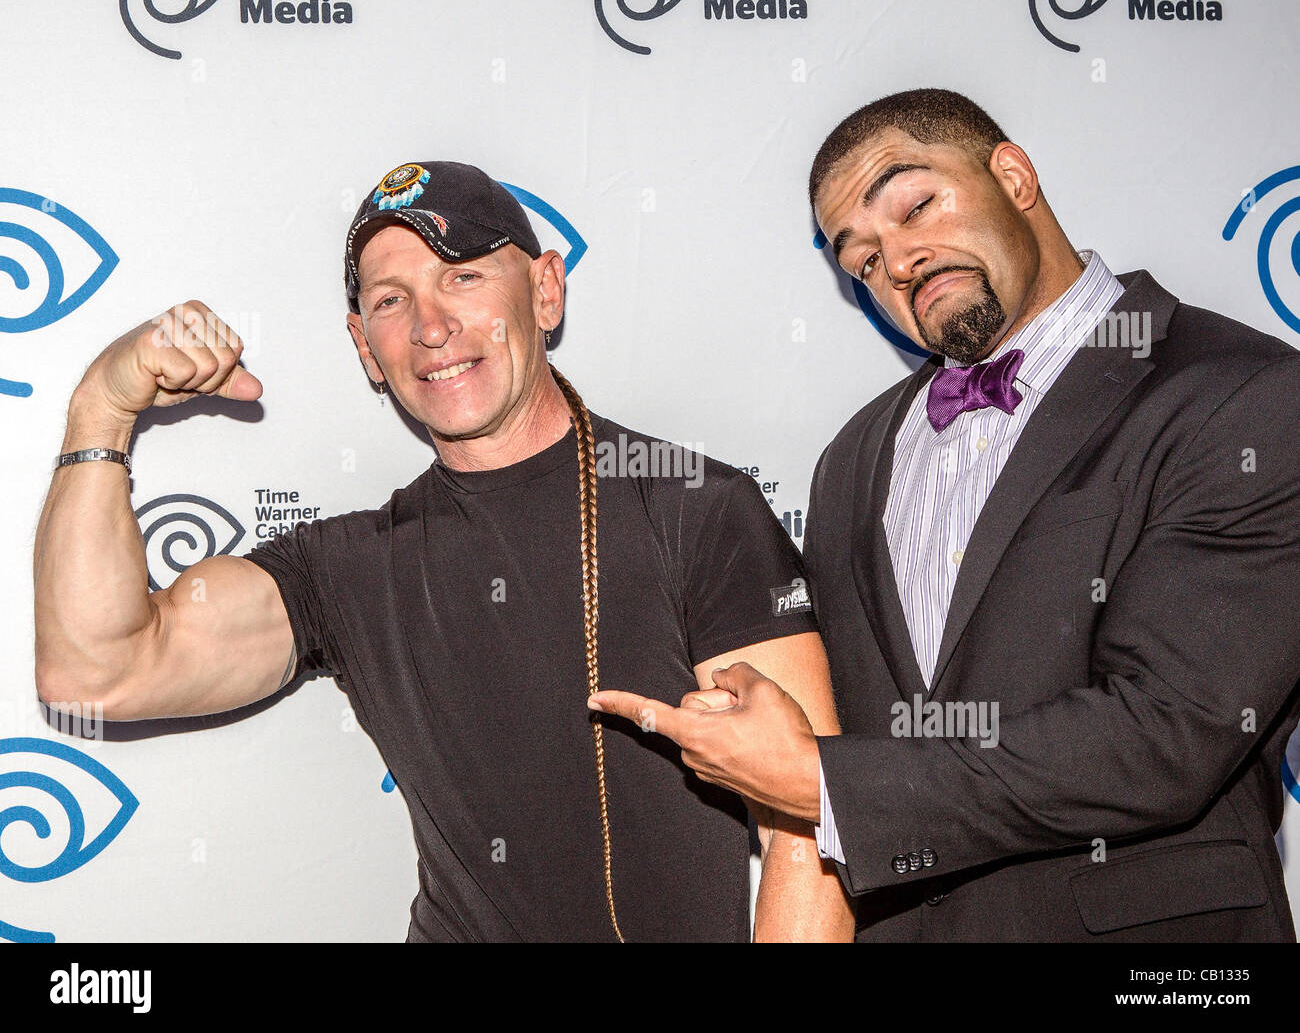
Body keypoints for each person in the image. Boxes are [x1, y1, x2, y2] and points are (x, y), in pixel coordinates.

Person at [33, 160, 853, 942]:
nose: (431, 326)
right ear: (365, 347)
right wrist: (100, 410)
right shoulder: (350, 565)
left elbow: (811, 827)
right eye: (392, 300)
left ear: (544, 290)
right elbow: (96, 672)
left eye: (463, 275)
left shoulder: (695, 509)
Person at [590, 89, 1300, 941]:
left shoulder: (1242, 393)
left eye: (916, 204)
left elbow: (1166, 735)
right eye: (860, 260)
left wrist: (820, 782)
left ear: (1013, 174)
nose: (896, 261)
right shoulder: (854, 456)